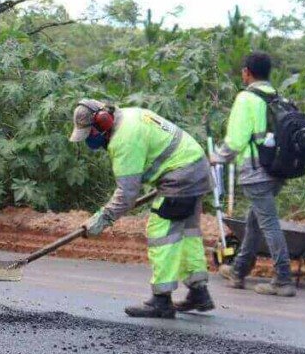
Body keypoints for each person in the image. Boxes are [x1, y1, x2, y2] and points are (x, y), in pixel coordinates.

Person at [71, 99, 214, 318]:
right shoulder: (129, 116)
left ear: (103, 122)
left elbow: (127, 194)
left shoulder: (124, 140)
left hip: (181, 177)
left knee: (161, 233)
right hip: (196, 167)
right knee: (187, 234)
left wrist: (102, 219)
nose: (89, 140)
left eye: (90, 134)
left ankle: (161, 301)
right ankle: (199, 292)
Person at [212, 52, 295, 297]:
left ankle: (283, 279)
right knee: (254, 222)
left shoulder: (246, 98)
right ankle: (238, 272)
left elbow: (236, 139)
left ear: (247, 72)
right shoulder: (276, 97)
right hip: (277, 170)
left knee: (267, 223)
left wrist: (218, 157)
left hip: (256, 171)